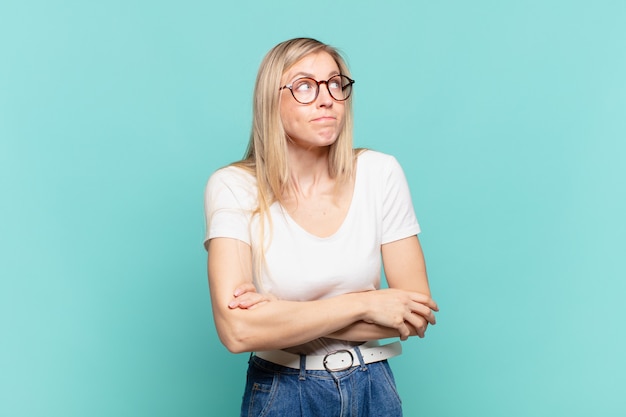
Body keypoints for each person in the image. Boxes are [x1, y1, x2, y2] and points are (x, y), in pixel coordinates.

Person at [203, 37, 438, 417]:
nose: (326, 98)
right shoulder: (234, 187)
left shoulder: (380, 173)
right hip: (283, 391)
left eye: (336, 83)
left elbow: (412, 313)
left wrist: (280, 314)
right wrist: (366, 302)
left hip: (373, 387)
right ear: (270, 101)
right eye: (304, 86)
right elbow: (238, 331)